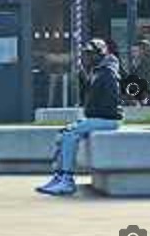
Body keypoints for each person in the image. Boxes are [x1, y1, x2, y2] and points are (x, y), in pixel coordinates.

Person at [36, 38, 123, 196]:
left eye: (90, 54)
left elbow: (110, 105)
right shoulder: (96, 71)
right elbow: (88, 100)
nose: (86, 57)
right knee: (63, 133)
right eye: (85, 54)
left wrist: (88, 118)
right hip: (98, 118)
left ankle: (67, 180)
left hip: (108, 120)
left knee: (70, 135)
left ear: (99, 55)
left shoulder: (107, 73)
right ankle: (59, 176)